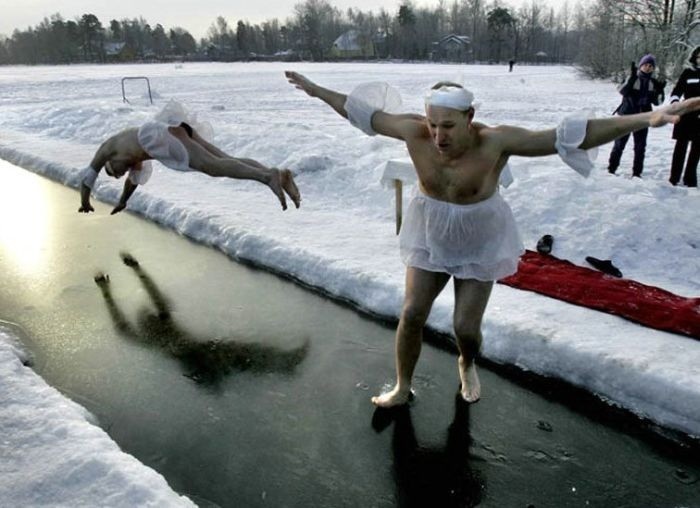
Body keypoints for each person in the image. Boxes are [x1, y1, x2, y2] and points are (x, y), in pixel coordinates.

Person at [285, 70, 700, 407]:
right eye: (432, 125)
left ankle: (467, 362)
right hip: (430, 232)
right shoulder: (414, 132)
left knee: (465, 326)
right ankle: (401, 386)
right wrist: (317, 90)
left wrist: (645, 118)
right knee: (411, 313)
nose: (438, 136)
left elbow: (568, 136)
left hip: (479, 236)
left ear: (470, 117)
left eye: (447, 126)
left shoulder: (496, 141)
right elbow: (361, 112)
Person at [78, 103, 301, 215]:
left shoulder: (108, 148)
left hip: (157, 135)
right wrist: (122, 201)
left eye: (114, 171)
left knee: (212, 167)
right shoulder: (133, 162)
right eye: (120, 174)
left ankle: (267, 176)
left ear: (110, 160)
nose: (120, 173)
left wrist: (85, 202)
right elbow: (132, 183)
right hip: (173, 131)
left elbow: (88, 177)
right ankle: (280, 176)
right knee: (224, 159)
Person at [607, 54, 666, 177]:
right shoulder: (633, 78)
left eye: (651, 66)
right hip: (627, 117)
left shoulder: (653, 83)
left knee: (640, 147)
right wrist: (631, 79)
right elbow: (622, 91)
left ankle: (637, 173)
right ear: (641, 66)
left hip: (643, 118)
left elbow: (658, 102)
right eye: (645, 65)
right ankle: (611, 169)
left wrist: (660, 91)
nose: (648, 67)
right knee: (619, 144)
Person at [668, 46, 700, 187]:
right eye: (699, 56)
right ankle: (674, 178)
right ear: (695, 58)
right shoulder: (688, 73)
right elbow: (676, 91)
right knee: (680, 147)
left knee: (696, 150)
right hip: (686, 115)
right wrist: (676, 104)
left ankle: (690, 179)